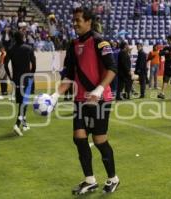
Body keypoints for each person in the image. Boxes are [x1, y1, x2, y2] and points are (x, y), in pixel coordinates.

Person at [49, 7, 119, 194]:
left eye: (78, 20)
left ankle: (113, 179)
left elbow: (112, 68)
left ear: (88, 21)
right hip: (80, 99)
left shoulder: (100, 42)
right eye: (73, 20)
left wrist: (99, 89)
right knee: (79, 138)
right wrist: (54, 96)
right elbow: (69, 75)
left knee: (99, 140)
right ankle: (90, 180)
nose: (74, 23)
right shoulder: (72, 45)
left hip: (100, 99)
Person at [4, 31, 36, 136]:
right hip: (26, 78)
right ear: (23, 37)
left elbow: (5, 64)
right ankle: (17, 124)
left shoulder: (11, 49)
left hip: (17, 79)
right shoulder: (28, 48)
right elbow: (34, 63)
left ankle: (23, 123)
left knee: (22, 102)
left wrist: (10, 77)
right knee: (24, 102)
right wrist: (31, 74)